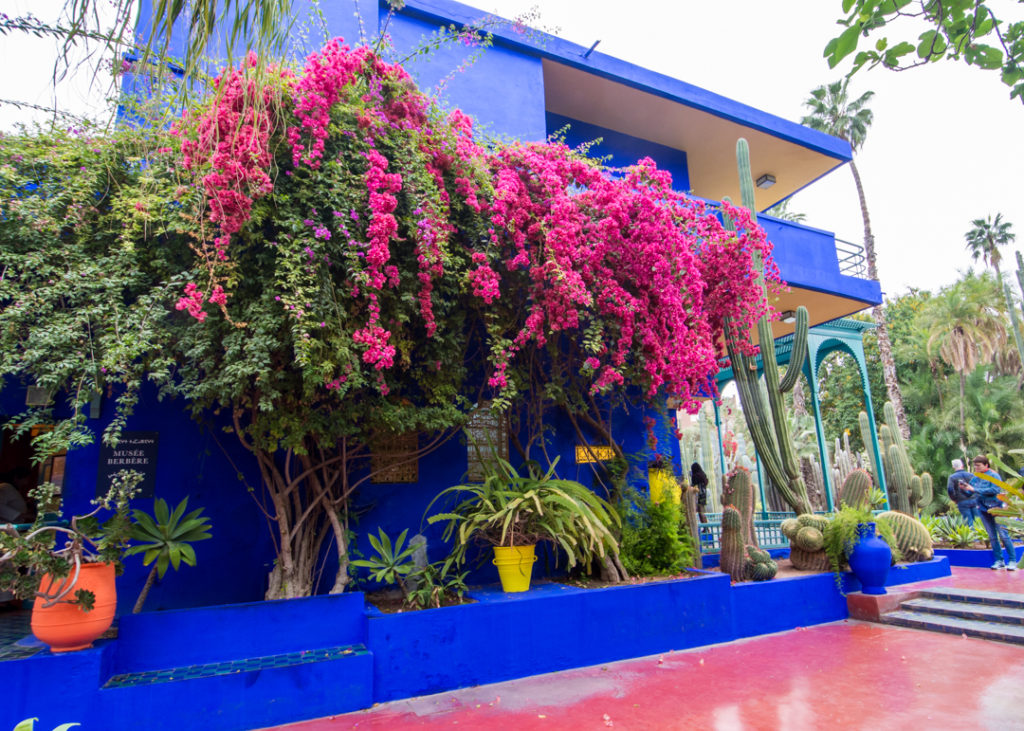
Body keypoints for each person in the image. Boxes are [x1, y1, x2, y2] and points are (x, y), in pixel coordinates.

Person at [960, 455, 1017, 570]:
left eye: (978, 465)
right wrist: (964, 488)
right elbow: (970, 493)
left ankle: (1012, 561)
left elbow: (995, 490)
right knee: (992, 536)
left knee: (1003, 535)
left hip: (996, 508)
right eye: (975, 466)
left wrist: (974, 489)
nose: (976, 468)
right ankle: (999, 560)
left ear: (986, 465)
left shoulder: (994, 475)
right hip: (983, 509)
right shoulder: (976, 478)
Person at [947, 458, 981, 526]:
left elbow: (950, 489)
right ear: (962, 465)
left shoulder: (952, 477)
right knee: (978, 521)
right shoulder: (971, 475)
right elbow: (977, 486)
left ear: (953, 467)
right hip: (974, 499)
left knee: (968, 521)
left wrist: (954, 499)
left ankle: (973, 535)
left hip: (962, 501)